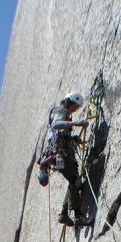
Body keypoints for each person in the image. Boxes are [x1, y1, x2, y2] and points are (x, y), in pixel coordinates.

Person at [40, 91, 89, 226]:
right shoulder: (61, 111)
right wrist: (78, 123)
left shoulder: (64, 114)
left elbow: (61, 135)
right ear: (70, 102)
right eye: (75, 106)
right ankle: (78, 216)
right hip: (60, 154)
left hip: (61, 154)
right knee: (74, 180)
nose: (75, 110)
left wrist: (74, 139)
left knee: (74, 180)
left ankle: (64, 214)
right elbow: (56, 125)